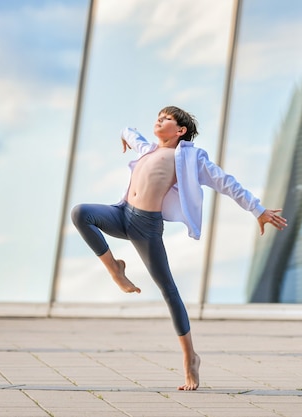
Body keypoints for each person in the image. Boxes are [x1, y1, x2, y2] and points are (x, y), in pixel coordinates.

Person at [71, 105, 287, 390]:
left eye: (166, 119)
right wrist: (125, 135)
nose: (158, 121)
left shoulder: (190, 157)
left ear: (180, 130)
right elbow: (129, 132)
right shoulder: (147, 149)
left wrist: (257, 209)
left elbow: (226, 183)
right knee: (80, 213)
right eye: (158, 117)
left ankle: (190, 359)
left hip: (146, 226)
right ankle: (115, 269)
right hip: (122, 215)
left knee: (169, 290)